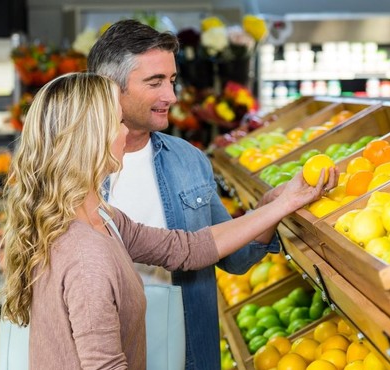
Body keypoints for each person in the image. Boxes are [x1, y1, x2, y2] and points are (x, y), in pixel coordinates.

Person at [0, 72, 335, 369]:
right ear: (93, 139)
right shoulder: (87, 257)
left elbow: (185, 248)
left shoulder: (100, 219)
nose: (124, 132)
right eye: (117, 122)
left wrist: (279, 205)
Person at [87, 19, 284, 369]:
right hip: (104, 354)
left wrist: (269, 211)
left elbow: (233, 258)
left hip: (186, 352)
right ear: (110, 88)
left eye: (172, 81)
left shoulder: (187, 159)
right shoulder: (69, 169)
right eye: (155, 82)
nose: (172, 97)